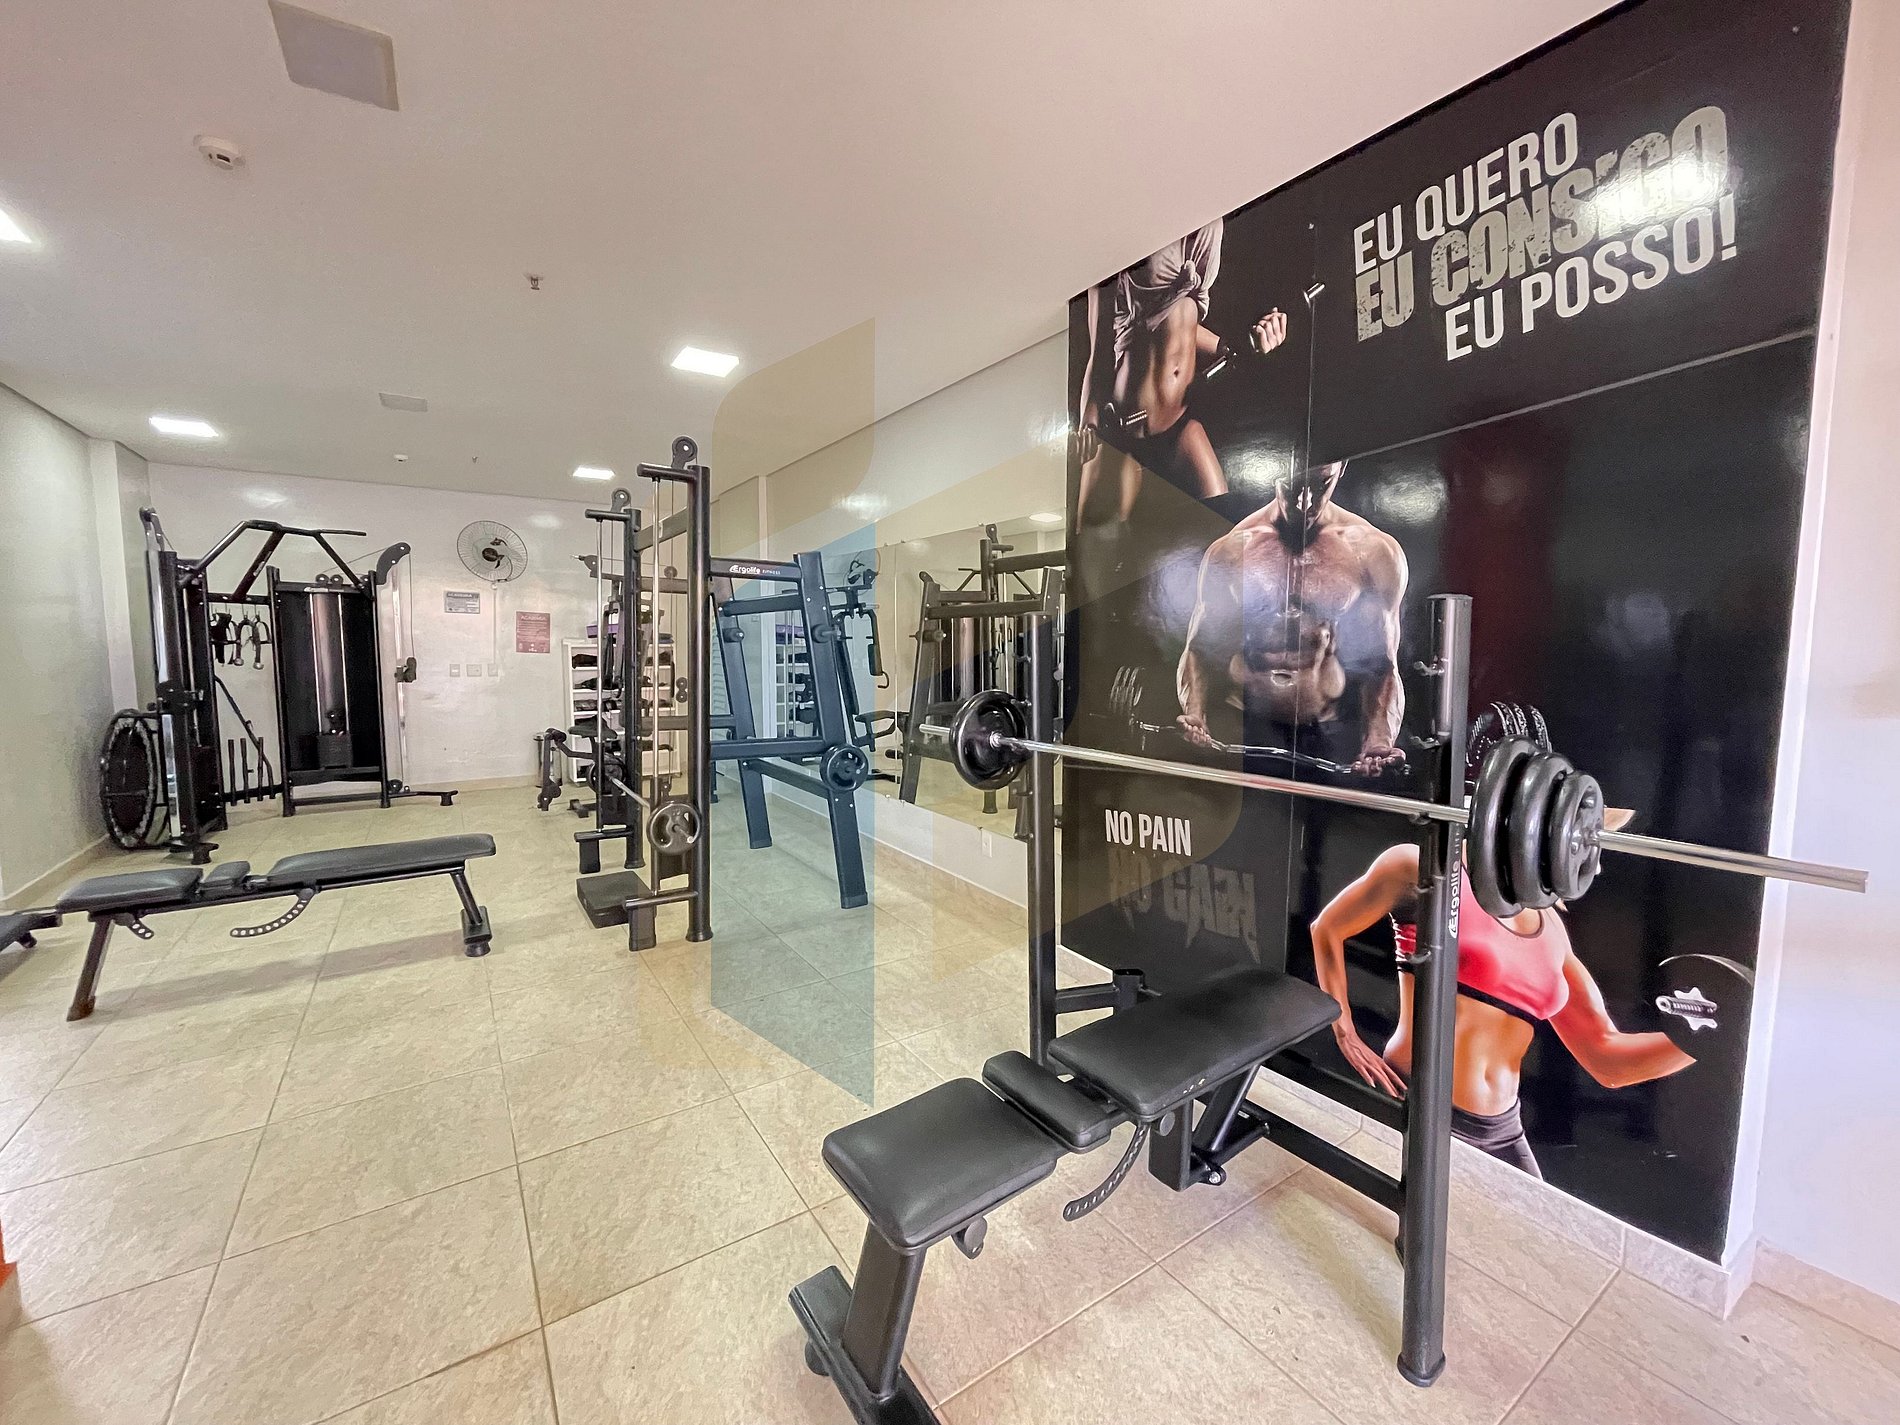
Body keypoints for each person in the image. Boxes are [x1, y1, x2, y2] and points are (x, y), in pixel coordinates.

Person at [1307, 707, 1696, 1176]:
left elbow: (1607, 1057)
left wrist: (1702, 1039)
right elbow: (1326, 928)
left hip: (1504, 1129)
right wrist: (1344, 1030)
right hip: (1425, 1102)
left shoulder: (1553, 933)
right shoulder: (1419, 867)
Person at [1174, 461, 1408, 774]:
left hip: (1326, 735)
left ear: (1341, 469)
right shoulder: (1232, 549)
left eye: (1321, 484)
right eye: (1293, 484)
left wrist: (1379, 739)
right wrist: (1195, 715)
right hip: (1240, 729)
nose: (1304, 500)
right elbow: (1199, 649)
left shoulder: (1373, 552)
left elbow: (1382, 663)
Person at [1075, 219, 1288, 520]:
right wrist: (1088, 426)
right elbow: (1099, 356)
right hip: (1124, 429)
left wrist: (1236, 345)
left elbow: (1182, 320)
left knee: (1224, 523)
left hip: (1179, 425)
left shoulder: (1210, 220)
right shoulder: (1120, 242)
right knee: (1095, 542)